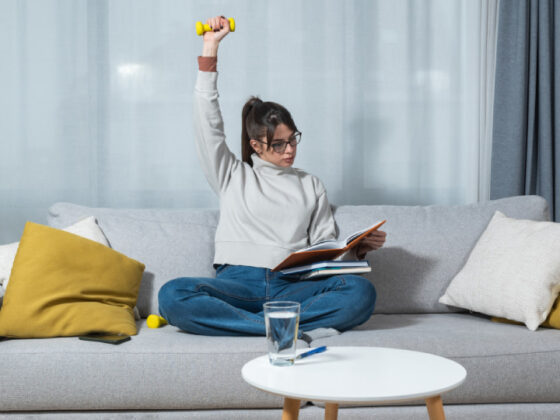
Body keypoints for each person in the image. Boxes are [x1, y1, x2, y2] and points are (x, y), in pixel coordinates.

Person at [158, 16, 386, 340]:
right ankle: (282, 328)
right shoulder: (232, 174)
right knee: (173, 294)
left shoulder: (310, 184)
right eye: (279, 144)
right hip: (238, 284)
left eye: (293, 139)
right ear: (256, 145)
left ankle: (259, 324)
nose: (289, 150)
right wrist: (210, 48)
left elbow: (324, 249)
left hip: (293, 286)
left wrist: (357, 251)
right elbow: (207, 124)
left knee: (361, 292)